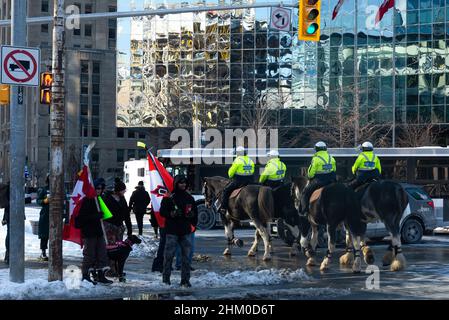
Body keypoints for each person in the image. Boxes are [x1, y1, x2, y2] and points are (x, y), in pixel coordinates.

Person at [160, 175, 198, 287]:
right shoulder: (169, 197)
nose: (183, 185)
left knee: (186, 258)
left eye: (184, 183)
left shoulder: (189, 198)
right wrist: (171, 214)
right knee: (168, 257)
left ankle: (185, 280)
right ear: (176, 183)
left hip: (185, 231)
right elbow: (162, 212)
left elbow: (194, 213)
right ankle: (166, 279)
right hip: (172, 231)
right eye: (181, 183)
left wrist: (192, 217)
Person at [76, 178, 113, 285]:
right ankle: (86, 275)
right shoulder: (87, 200)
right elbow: (81, 218)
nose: (99, 190)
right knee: (89, 255)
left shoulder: (99, 199)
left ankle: (100, 275)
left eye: (101, 188)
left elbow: (105, 214)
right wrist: (95, 216)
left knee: (102, 254)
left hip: (99, 231)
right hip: (89, 232)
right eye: (97, 188)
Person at [102, 178, 132, 276]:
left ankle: (118, 270)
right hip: (109, 226)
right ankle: (110, 270)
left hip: (119, 227)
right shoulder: (108, 198)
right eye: (123, 190)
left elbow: (126, 214)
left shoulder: (122, 199)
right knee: (111, 248)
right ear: (119, 190)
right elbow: (104, 213)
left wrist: (129, 227)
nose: (124, 191)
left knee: (119, 248)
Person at [299, 141, 337, 216]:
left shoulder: (316, 159)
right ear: (325, 149)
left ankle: (305, 211)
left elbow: (310, 174)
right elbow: (334, 169)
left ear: (316, 150)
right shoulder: (331, 158)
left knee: (305, 193)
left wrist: (309, 176)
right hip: (331, 181)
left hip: (319, 181)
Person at [219, 146, 255, 214]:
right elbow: (252, 170)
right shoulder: (250, 160)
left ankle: (223, 208)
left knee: (225, 191)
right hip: (250, 182)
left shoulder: (237, 160)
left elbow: (230, 174)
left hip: (239, 181)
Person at [37, 175, 50, 261]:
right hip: (45, 215)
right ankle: (43, 251)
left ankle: (55, 252)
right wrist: (44, 201)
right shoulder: (44, 189)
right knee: (44, 235)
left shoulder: (60, 188)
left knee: (54, 234)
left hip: (56, 215)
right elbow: (38, 201)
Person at [1, 184, 9, 264]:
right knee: (11, 234)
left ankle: (8, 254)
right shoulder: (13, 187)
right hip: (12, 215)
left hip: (7, 215)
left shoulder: (7, 187)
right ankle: (9, 255)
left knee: (9, 233)